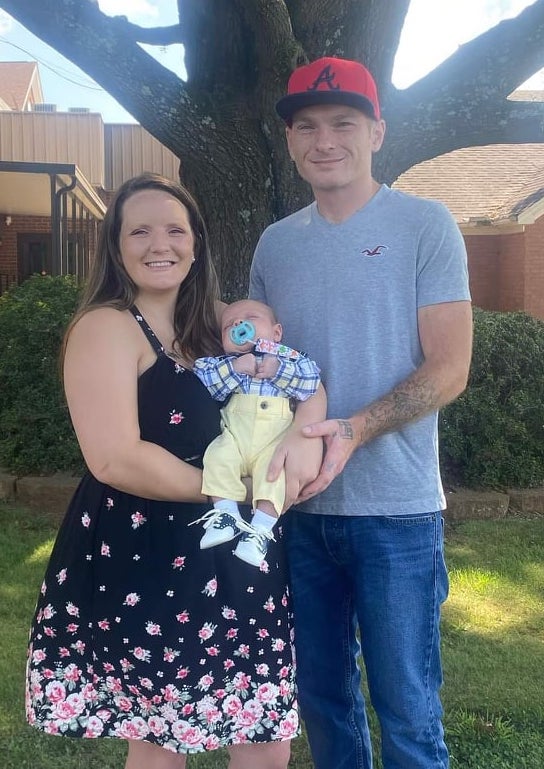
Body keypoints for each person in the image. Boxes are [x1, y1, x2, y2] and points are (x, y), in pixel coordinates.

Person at [24, 172, 318, 769]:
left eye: (175, 230)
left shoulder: (224, 324)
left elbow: (299, 374)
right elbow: (115, 457)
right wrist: (239, 495)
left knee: (264, 736)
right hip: (148, 556)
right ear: (115, 246)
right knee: (159, 741)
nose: (160, 244)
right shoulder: (106, 327)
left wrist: (303, 437)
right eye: (140, 231)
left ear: (196, 243)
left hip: (240, 555)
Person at [249, 56, 473, 769]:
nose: (324, 140)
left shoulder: (424, 224)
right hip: (298, 507)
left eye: (343, 123)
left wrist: (353, 429)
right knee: (322, 701)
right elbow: (259, 368)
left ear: (376, 132)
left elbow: (449, 368)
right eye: (306, 126)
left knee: (407, 708)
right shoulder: (275, 243)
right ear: (289, 140)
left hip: (396, 510)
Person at [191, 298, 321, 567]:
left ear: (276, 332)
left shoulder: (291, 358)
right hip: (235, 436)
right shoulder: (222, 363)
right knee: (217, 458)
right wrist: (236, 367)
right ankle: (225, 515)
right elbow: (205, 382)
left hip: (273, 439)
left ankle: (260, 530)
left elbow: (310, 383)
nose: (239, 323)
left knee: (273, 474)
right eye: (229, 325)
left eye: (250, 317)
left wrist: (278, 370)